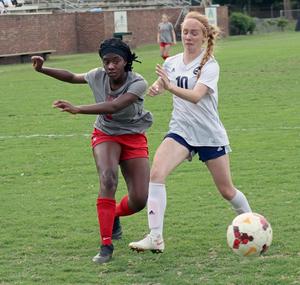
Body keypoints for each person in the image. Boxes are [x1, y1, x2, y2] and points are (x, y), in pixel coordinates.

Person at [129, 11, 252, 253]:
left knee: (226, 190)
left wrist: (169, 85)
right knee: (156, 173)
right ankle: (155, 237)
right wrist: (157, 87)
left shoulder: (210, 65)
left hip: (208, 134)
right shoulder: (171, 62)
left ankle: (252, 223)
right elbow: (163, 83)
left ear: (204, 36)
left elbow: (196, 96)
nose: (188, 36)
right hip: (181, 131)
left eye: (194, 32)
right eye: (185, 32)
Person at [31, 38, 153, 264]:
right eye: (106, 61)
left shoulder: (138, 83)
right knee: (108, 179)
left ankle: (113, 214)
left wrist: (78, 109)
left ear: (125, 61)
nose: (110, 66)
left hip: (133, 135)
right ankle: (106, 244)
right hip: (105, 134)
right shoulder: (98, 75)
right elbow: (72, 77)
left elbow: (115, 105)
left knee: (139, 199)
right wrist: (42, 69)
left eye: (115, 61)